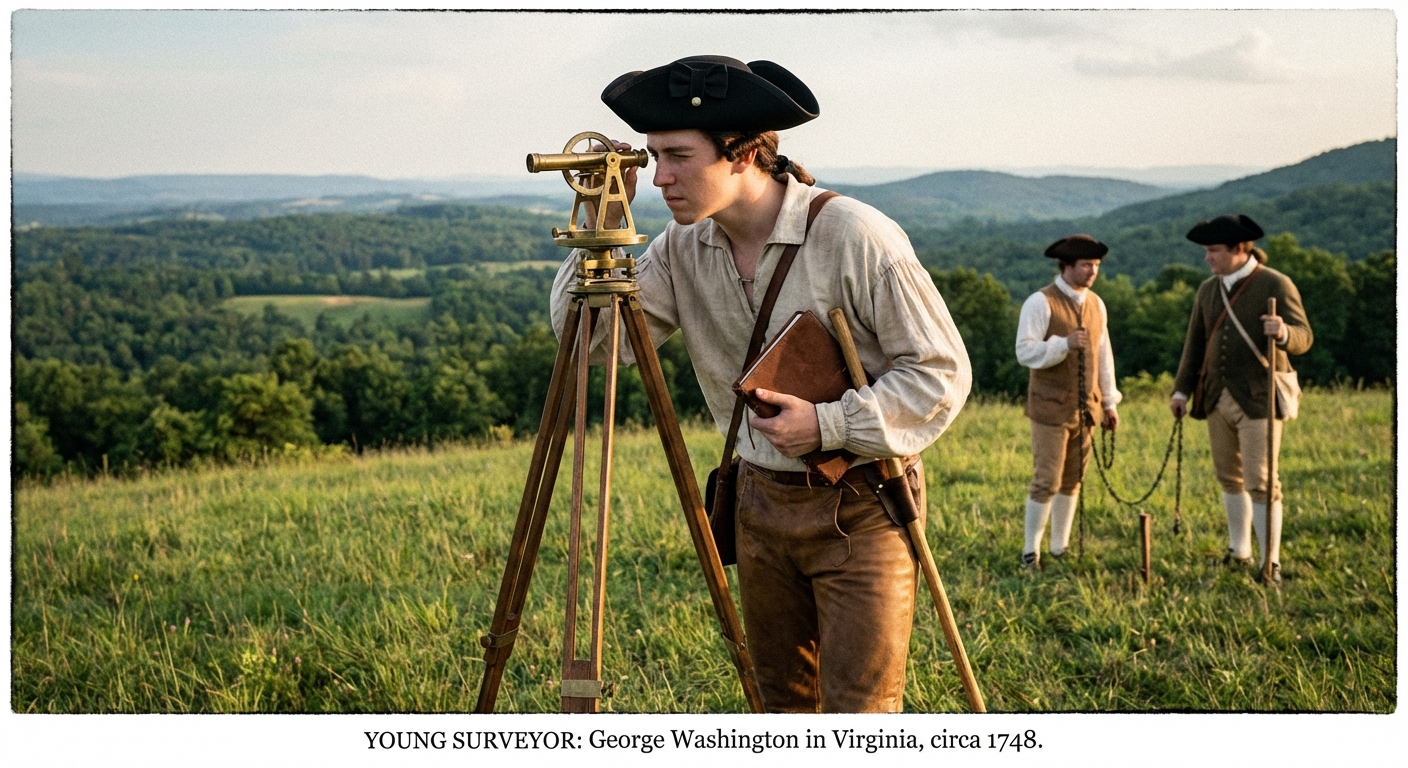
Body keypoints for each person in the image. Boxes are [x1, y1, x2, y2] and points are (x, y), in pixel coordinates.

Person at [549, 55, 971, 712]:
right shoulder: (677, 250)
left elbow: (941, 374)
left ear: (743, 154)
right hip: (757, 506)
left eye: (679, 157)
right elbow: (593, 345)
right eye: (653, 157)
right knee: (781, 707)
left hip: (861, 505)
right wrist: (600, 232)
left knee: (861, 712)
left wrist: (827, 425)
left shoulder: (855, 235)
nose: (659, 178)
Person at [1170, 214, 1312, 584]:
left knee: (1262, 482)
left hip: (1260, 398)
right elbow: (1194, 346)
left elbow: (1304, 337)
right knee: (1228, 478)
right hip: (1217, 397)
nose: (1207, 258)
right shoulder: (1206, 290)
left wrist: (1282, 333)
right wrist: (1181, 390)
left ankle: (1272, 562)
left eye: (1213, 251)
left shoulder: (1276, 283)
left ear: (1239, 249)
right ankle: (1240, 551)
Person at [1014, 235, 1120, 569]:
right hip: (1049, 407)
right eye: (1087, 265)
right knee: (1047, 480)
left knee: (1073, 479)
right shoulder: (1040, 302)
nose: (1092, 272)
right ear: (1067, 266)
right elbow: (1024, 352)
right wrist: (1062, 344)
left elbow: (1104, 357)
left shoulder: (1097, 305)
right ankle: (1031, 551)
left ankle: (1060, 547)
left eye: (1096, 266)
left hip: (1086, 407)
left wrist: (1109, 403)